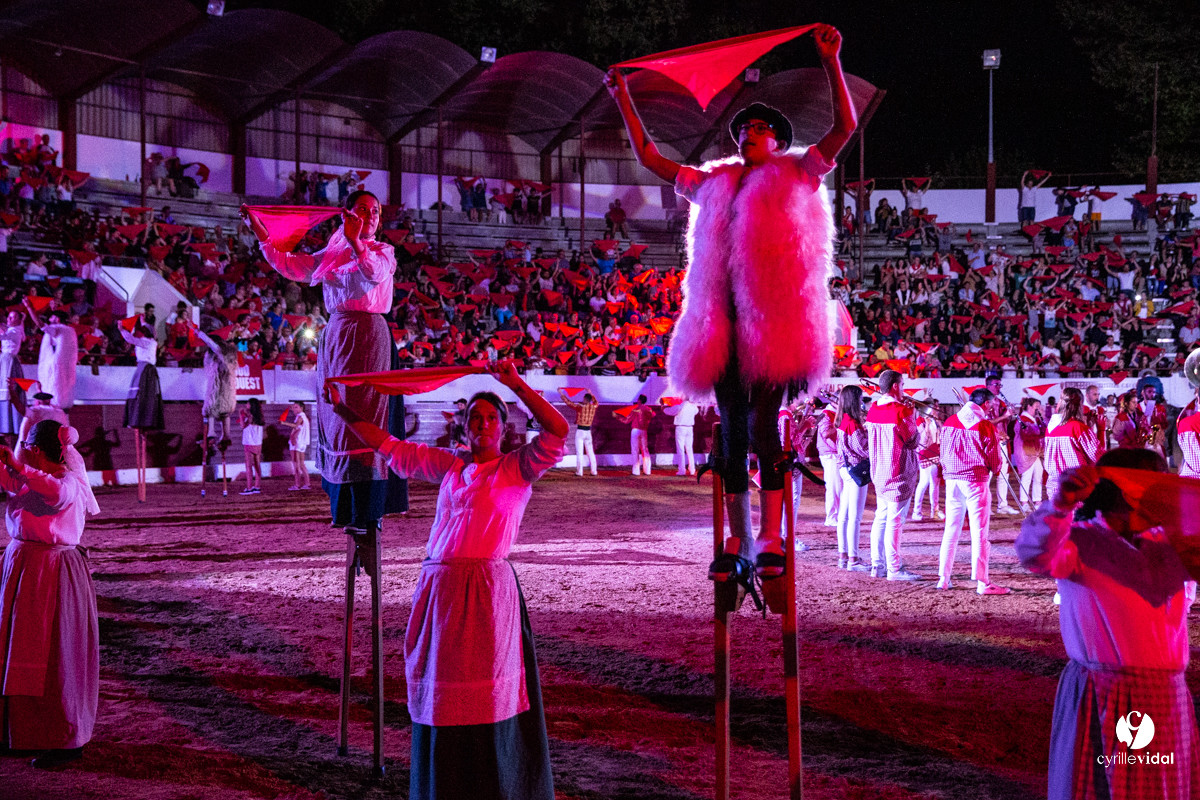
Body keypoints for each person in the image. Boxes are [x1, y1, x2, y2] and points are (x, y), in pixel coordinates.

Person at [606, 24, 856, 590]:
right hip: (721, 325)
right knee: (733, 432)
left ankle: (771, 534)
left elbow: (845, 127)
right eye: (745, 127)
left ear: (779, 139)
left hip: (777, 324)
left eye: (763, 127)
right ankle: (739, 536)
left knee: (766, 425)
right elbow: (650, 156)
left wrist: (830, 63)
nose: (751, 131)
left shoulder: (800, 171)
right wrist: (623, 96)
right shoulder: (713, 181)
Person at [327, 361, 567, 800]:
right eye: (475, 417)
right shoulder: (451, 468)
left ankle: (494, 784)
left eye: (491, 417)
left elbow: (556, 430)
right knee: (441, 691)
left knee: (487, 693)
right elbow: (391, 447)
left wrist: (515, 384)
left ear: (504, 426)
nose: (482, 424)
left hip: (486, 593)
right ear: (465, 426)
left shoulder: (516, 470)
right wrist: (342, 410)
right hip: (439, 592)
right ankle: (444, 781)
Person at [1016, 449, 1199, 800]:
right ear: (1129, 490)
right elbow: (1033, 552)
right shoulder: (1081, 540)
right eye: (1154, 482)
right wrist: (1061, 505)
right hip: (1104, 694)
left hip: (1166, 694)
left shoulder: (1172, 544)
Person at [242, 190, 401, 533]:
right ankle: (345, 506)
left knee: (364, 416)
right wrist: (263, 235)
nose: (370, 215)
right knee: (335, 416)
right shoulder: (332, 252)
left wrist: (358, 242)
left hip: (368, 335)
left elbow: (374, 273)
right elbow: (291, 265)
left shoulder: (383, 252)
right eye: (362, 209)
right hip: (337, 334)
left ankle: (370, 508)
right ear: (347, 213)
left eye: (375, 211)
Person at [0, 420, 101, 768]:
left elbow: (54, 494)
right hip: (24, 566)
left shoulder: (66, 482)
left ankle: (65, 739)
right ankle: (20, 732)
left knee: (56, 654)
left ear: (36, 449)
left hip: (51, 572)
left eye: (26, 446)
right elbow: (13, 480)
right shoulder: (28, 476)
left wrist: (17, 466)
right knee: (16, 647)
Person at [937, 388, 1009, 594]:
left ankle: (943, 578)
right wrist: (996, 465)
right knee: (979, 533)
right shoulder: (985, 426)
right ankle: (982, 582)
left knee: (951, 530)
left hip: (952, 481)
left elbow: (943, 453)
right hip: (975, 481)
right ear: (985, 404)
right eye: (992, 405)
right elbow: (995, 462)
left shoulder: (950, 421)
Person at [865, 370, 923, 580]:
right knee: (895, 522)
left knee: (881, 518)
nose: (905, 389)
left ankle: (877, 565)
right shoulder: (902, 412)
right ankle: (894, 568)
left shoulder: (872, 409)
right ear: (896, 386)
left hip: (879, 472)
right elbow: (913, 440)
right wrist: (913, 416)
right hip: (898, 473)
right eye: (903, 385)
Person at [1043, 387, 1104, 502]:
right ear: (1078, 405)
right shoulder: (1078, 427)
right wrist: (1101, 429)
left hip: (1054, 487)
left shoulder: (1050, 428)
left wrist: (1088, 427)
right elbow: (1099, 457)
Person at [835, 385, 870, 572]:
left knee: (844, 515)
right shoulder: (853, 424)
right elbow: (863, 449)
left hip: (845, 468)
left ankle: (844, 555)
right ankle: (853, 559)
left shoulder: (843, 420)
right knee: (854, 517)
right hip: (856, 469)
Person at [26, 304, 76, 411]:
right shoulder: (70, 331)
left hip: (54, 370)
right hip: (65, 372)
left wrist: (29, 308)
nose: (49, 319)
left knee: (53, 395)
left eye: (51, 317)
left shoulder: (57, 329)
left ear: (57, 319)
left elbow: (40, 324)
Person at [983, 372, 1019, 515]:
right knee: (988, 475)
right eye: (996, 385)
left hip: (1003, 440)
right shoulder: (985, 401)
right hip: (991, 442)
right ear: (988, 386)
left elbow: (1004, 422)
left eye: (1000, 385)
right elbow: (985, 423)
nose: (999, 388)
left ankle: (1002, 505)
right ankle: (984, 505)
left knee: (1004, 474)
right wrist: (1005, 416)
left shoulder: (1000, 402)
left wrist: (1010, 415)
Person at [120, 320, 164, 432]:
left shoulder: (146, 342)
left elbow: (130, 339)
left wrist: (121, 330)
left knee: (140, 394)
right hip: (147, 369)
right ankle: (144, 421)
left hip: (144, 370)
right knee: (145, 395)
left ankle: (139, 420)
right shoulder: (152, 342)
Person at [1013, 397, 1047, 513]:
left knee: (1038, 476)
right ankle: (1024, 502)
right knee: (1027, 477)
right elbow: (1027, 434)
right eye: (1036, 406)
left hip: (1036, 451)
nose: (1038, 408)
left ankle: (1037, 500)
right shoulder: (1023, 418)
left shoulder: (1034, 419)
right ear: (1029, 406)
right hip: (1026, 451)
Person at [812, 395, 841, 526]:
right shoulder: (826, 414)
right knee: (834, 487)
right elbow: (826, 433)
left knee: (839, 487)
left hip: (836, 453)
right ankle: (831, 517)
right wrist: (842, 424)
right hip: (830, 454)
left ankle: (838, 515)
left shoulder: (835, 413)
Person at [558, 389, 598, 477]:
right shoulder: (593, 407)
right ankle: (594, 471)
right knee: (590, 452)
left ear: (585, 399)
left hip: (580, 431)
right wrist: (591, 393)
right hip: (588, 432)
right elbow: (596, 402)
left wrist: (561, 393)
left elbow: (569, 403)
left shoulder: (580, 407)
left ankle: (580, 472)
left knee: (579, 452)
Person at [0, 310, 26, 442]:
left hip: (9, 361)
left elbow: (4, 337)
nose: (10, 319)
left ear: (19, 320)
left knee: (9, 389)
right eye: (9, 317)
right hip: (4, 359)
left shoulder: (16, 331)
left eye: (13, 317)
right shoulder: (10, 330)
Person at [912, 411, 942, 521]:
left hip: (935, 454)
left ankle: (935, 511)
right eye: (935, 406)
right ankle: (916, 511)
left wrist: (937, 421)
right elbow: (922, 440)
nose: (936, 409)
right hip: (925, 455)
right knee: (924, 483)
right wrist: (928, 425)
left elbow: (941, 435)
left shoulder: (934, 420)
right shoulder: (920, 421)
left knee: (935, 484)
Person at [663, 398, 700, 477]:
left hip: (681, 428)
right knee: (689, 449)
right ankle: (692, 469)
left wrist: (663, 408)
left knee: (680, 449)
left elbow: (669, 411)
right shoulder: (693, 407)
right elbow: (696, 411)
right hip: (690, 428)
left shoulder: (680, 406)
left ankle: (682, 470)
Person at [621, 395, 654, 476]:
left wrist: (619, 418)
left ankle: (636, 471)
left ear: (639, 400)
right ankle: (647, 470)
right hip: (644, 430)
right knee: (645, 450)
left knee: (635, 450)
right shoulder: (648, 409)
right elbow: (653, 415)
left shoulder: (635, 409)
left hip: (635, 430)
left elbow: (627, 420)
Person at [281, 401, 311, 490]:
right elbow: (298, 428)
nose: (294, 409)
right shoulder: (304, 417)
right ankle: (307, 483)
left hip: (297, 442)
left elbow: (296, 426)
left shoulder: (300, 416)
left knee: (296, 464)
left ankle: (297, 485)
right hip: (302, 443)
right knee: (302, 464)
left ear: (301, 408)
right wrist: (292, 407)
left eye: (296, 407)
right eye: (294, 407)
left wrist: (284, 423)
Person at [239, 398, 264, 495]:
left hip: (249, 442)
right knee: (257, 465)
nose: (246, 404)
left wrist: (240, 414)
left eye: (248, 403)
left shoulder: (250, 416)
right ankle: (257, 486)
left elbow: (242, 425)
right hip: (258, 443)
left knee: (248, 466)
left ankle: (249, 487)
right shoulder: (259, 416)